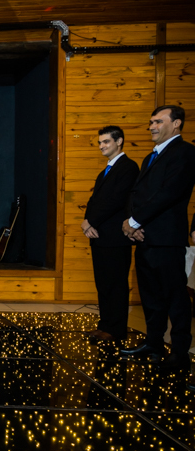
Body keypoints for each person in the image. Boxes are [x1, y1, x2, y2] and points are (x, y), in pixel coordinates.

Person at [119, 105, 195, 371]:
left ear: (176, 124)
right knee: (151, 297)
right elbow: (136, 194)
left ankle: (180, 353)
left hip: (167, 239)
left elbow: (169, 193)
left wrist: (135, 221)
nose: (152, 126)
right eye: (151, 122)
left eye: (158, 121)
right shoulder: (149, 157)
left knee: (175, 298)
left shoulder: (185, 153)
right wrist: (130, 223)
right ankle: (153, 344)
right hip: (144, 237)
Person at [80, 126, 139, 343]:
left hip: (115, 237)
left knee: (116, 285)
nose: (101, 146)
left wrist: (91, 221)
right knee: (104, 285)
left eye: (106, 142)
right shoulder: (105, 171)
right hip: (100, 236)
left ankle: (116, 330)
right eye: (100, 142)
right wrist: (86, 223)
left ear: (119, 141)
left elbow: (116, 200)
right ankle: (105, 325)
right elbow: (94, 201)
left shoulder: (128, 167)